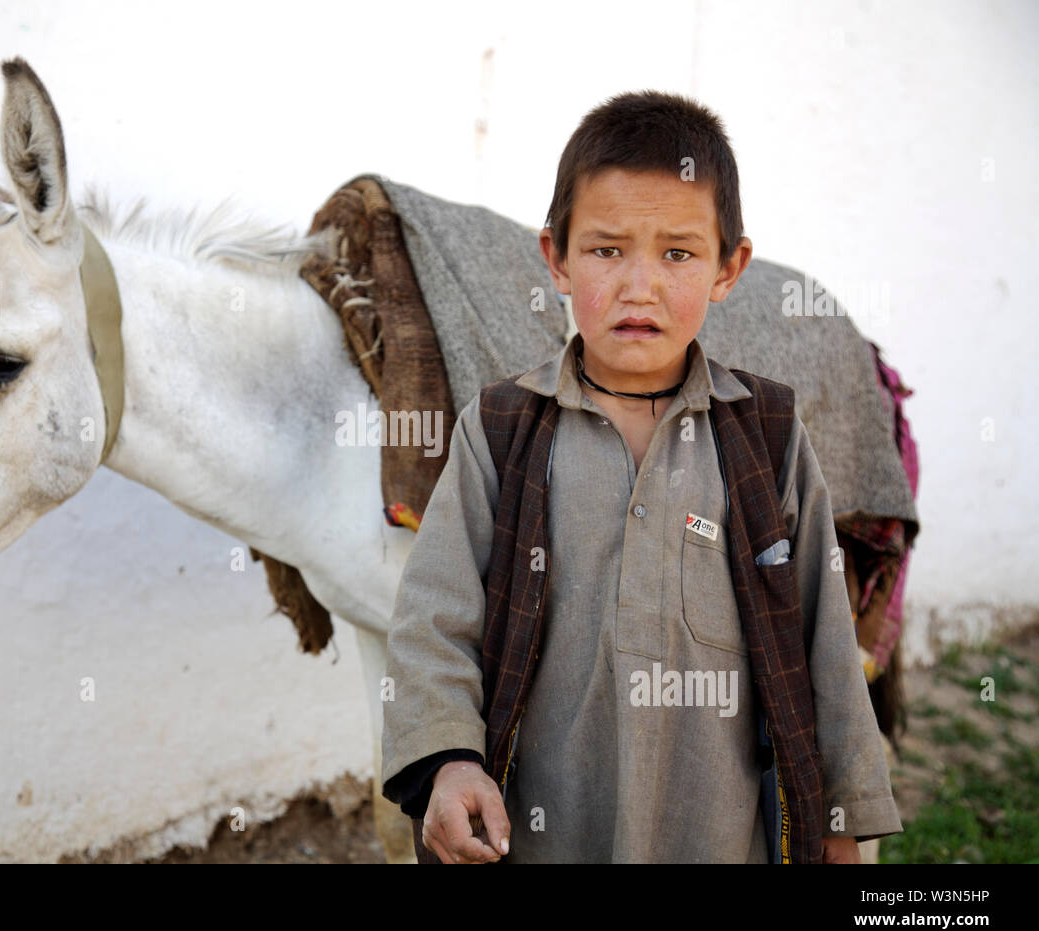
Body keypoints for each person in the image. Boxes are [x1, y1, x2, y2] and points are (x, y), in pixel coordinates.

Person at [379, 90, 902, 863]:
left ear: (731, 269)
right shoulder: (501, 431)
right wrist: (451, 760)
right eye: (606, 249)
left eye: (679, 254)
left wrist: (840, 816)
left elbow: (824, 636)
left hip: (720, 837)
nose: (639, 285)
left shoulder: (766, 436)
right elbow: (433, 617)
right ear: (554, 256)